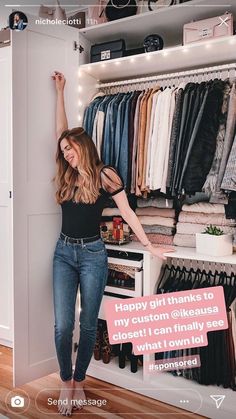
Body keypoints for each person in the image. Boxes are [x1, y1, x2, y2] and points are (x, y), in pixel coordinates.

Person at [52, 71, 175, 416]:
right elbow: (60, 131)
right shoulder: (65, 173)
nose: (66, 154)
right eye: (63, 150)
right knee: (63, 325)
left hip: (93, 254)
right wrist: (60, 93)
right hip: (63, 252)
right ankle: (65, 380)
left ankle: (78, 380)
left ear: (83, 145)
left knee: (89, 323)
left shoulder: (106, 175)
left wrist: (149, 245)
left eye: (70, 148)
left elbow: (128, 214)